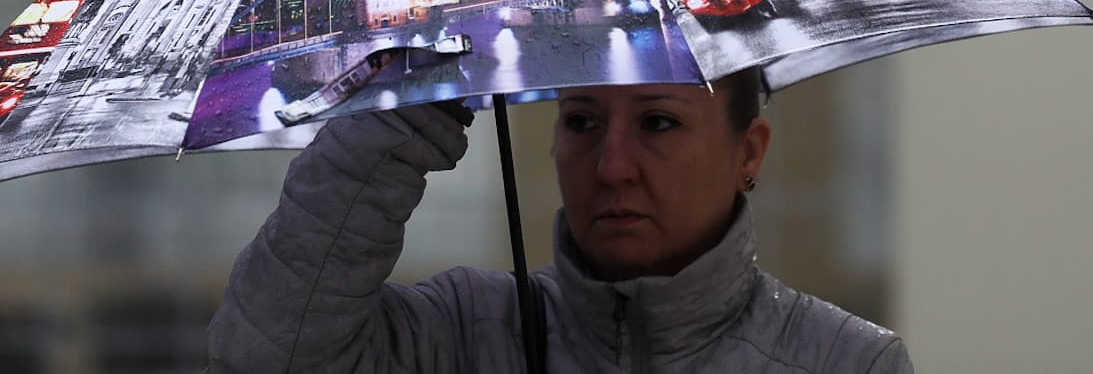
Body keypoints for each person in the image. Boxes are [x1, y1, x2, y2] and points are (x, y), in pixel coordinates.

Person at [207, 68, 913, 372]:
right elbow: (272, 356)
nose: (611, 166)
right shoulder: (462, 333)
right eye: (580, 121)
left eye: (657, 123)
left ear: (747, 152)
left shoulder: (842, 362)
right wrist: (387, 133)